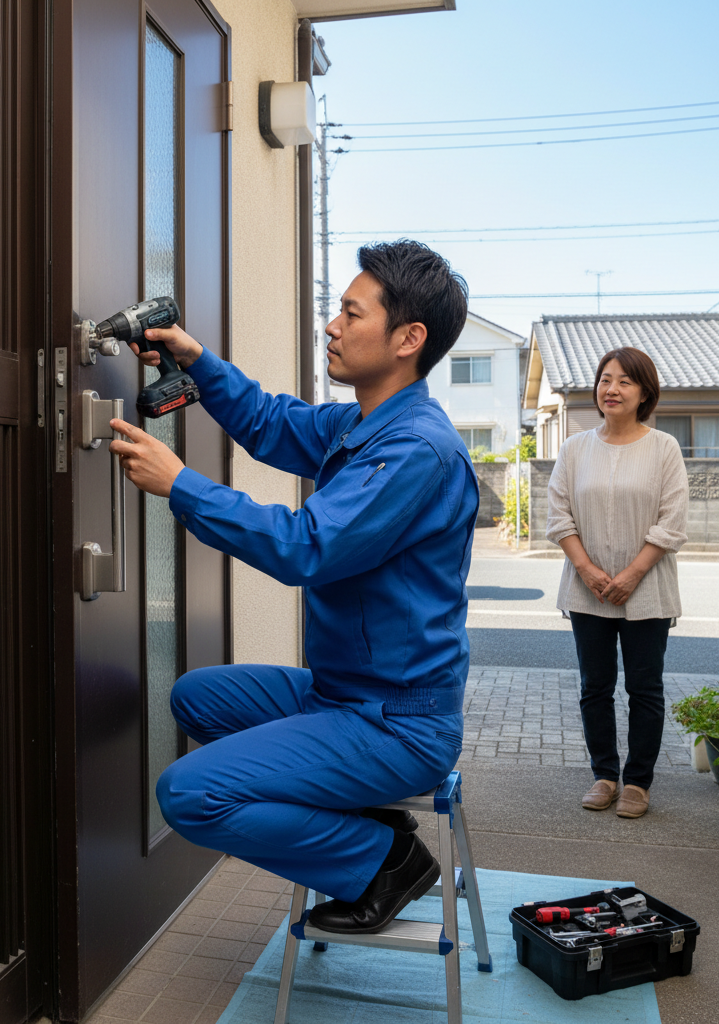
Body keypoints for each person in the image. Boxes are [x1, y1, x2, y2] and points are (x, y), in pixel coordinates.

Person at [109, 240, 477, 934]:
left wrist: (180, 484)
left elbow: (306, 546)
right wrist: (195, 358)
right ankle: (366, 820)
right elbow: (269, 421)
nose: (332, 327)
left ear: (408, 339)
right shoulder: (361, 424)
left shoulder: (415, 450)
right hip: (340, 694)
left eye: (351, 314)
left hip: (398, 722)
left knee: (188, 794)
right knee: (195, 698)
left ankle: (383, 861)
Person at [546, 346, 688, 819]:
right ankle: (605, 775)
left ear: (644, 393)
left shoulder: (663, 447)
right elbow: (558, 516)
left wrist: (631, 574)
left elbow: (672, 521)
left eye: (625, 381)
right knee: (595, 686)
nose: (612, 389)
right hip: (586, 590)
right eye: (606, 379)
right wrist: (586, 569)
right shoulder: (575, 448)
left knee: (645, 689)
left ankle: (639, 782)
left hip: (647, 590)